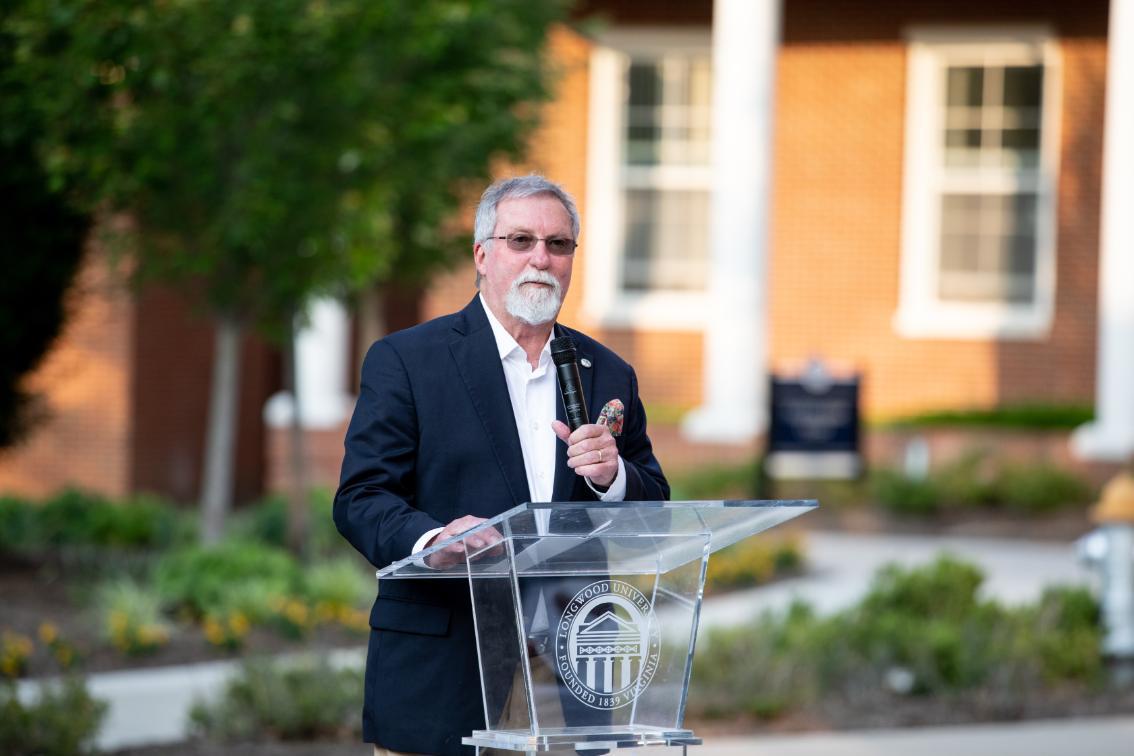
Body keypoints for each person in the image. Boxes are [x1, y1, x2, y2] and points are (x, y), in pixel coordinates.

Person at [334, 175, 669, 756]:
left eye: (558, 244)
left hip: (570, 679)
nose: (541, 257)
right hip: (443, 671)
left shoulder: (607, 372)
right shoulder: (409, 361)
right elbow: (360, 498)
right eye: (521, 240)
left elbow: (656, 507)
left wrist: (614, 478)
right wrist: (432, 539)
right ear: (482, 255)